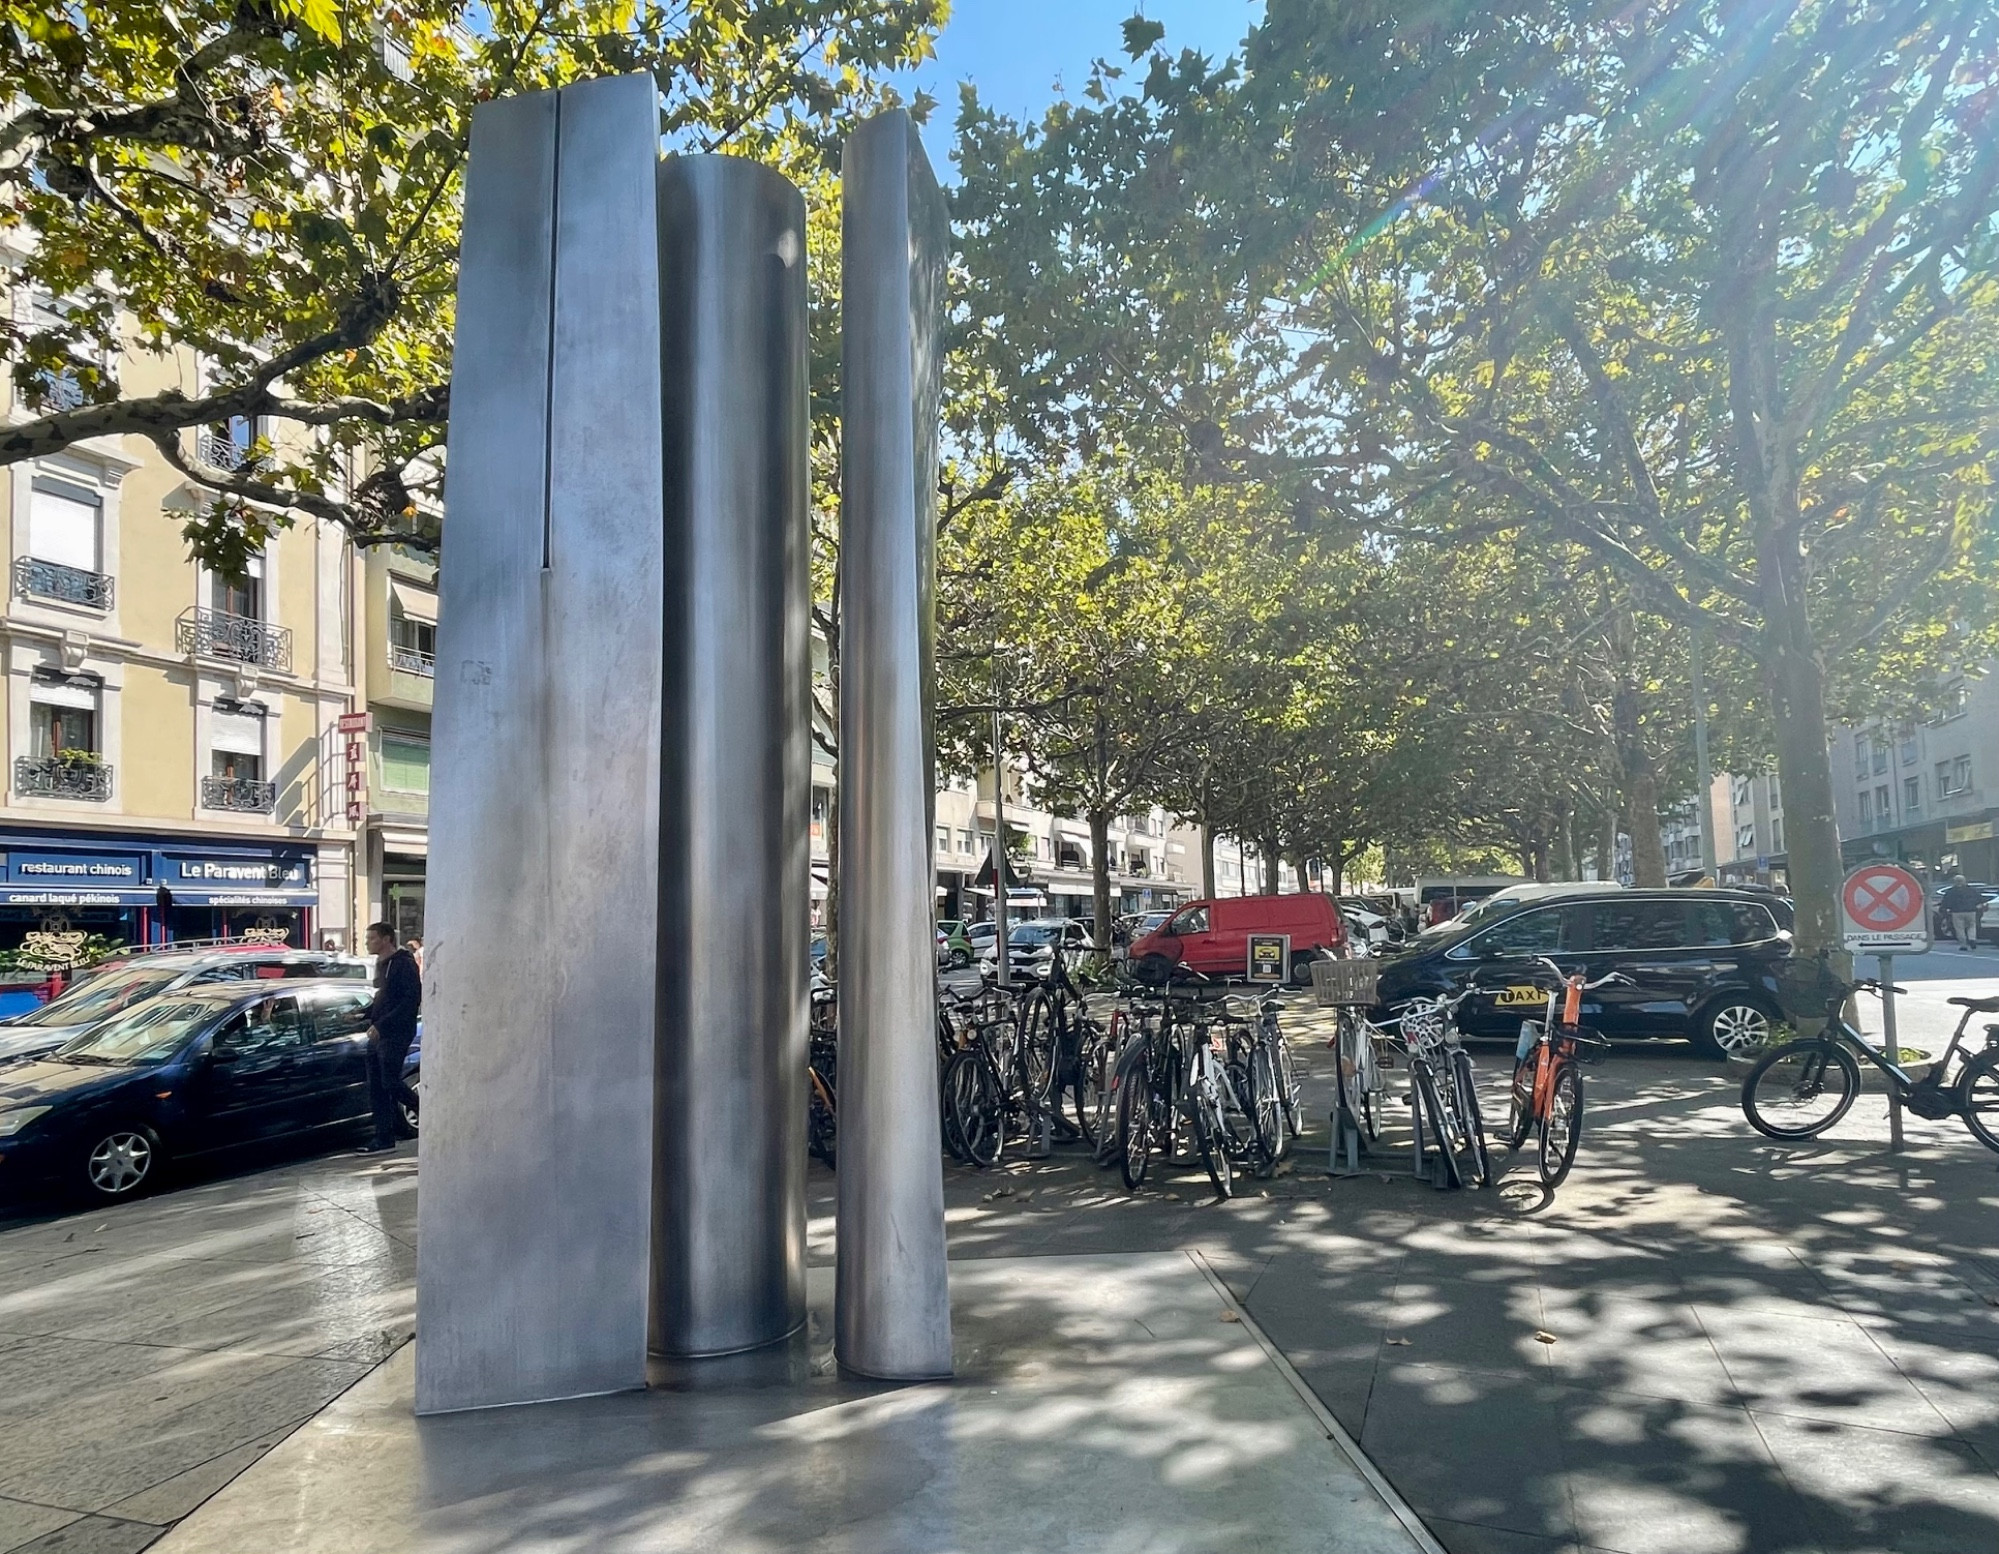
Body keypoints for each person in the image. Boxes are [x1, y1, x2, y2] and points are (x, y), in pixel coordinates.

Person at [357, 921, 421, 1153]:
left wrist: (382, 1025)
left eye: (372, 938)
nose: (367, 943)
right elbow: (384, 999)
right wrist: (363, 1014)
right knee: (376, 1085)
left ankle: (423, 1109)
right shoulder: (381, 964)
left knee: (389, 1080)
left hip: (396, 1033)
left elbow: (409, 1001)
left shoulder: (403, 964)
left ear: (386, 939)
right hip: (380, 1032)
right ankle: (384, 1137)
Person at [1940, 874, 1986, 952]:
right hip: (1971, 911)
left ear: (1955, 882)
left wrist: (1945, 909)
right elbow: (1979, 899)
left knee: (1959, 929)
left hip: (1956, 912)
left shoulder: (1951, 891)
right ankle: (1972, 939)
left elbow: (1945, 902)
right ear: (1964, 881)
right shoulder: (1971, 890)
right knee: (1971, 926)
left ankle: (1963, 944)